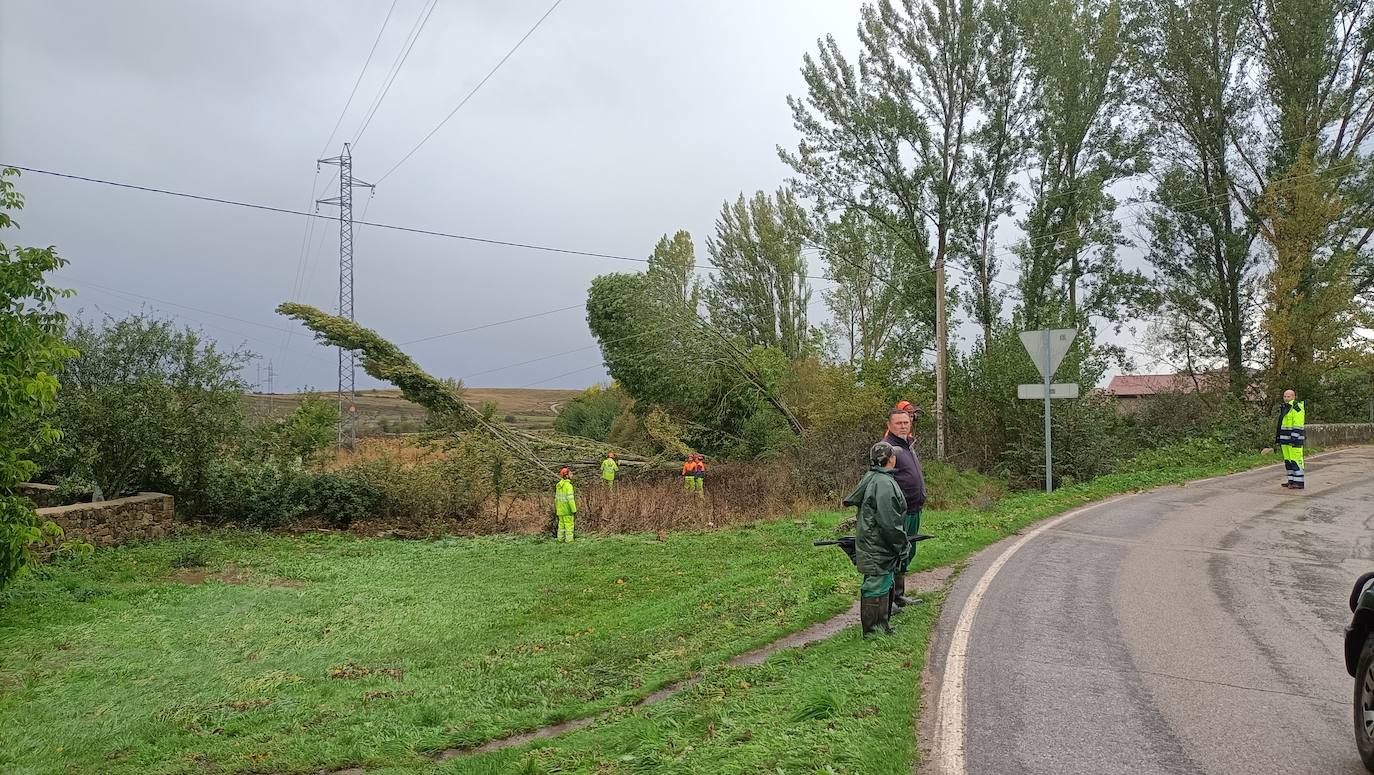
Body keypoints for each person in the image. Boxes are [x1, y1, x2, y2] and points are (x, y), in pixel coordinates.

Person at [844, 441, 909, 638]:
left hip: (874, 542)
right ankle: (873, 632)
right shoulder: (883, 483)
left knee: (881, 581)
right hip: (878, 545)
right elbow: (889, 522)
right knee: (876, 584)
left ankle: (882, 626)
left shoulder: (874, 477)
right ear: (891, 459)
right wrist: (902, 545)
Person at [882, 405, 926, 609]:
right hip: (898, 512)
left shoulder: (908, 445)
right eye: (899, 423)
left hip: (914, 509)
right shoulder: (886, 448)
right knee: (896, 553)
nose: (903, 426)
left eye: (906, 422)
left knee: (908, 552)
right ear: (889, 425)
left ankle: (899, 596)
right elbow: (881, 480)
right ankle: (888, 600)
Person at [1276, 389, 1306, 490]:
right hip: (1285, 440)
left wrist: (1294, 437)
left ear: (1293, 397)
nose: (1286, 398)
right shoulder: (1285, 408)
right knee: (1288, 461)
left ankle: (1299, 482)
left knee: (1296, 460)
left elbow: (1298, 423)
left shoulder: (1296, 407)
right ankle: (1291, 481)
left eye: (1288, 396)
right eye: (1285, 396)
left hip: (1294, 440)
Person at [555, 467, 578, 542]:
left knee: (561, 525)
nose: (572, 475)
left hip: (560, 509)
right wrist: (574, 510)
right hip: (567, 510)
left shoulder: (558, 485)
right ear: (567, 476)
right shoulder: (569, 486)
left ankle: (560, 539)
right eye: (570, 473)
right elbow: (570, 500)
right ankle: (569, 540)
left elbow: (556, 499)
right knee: (569, 525)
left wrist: (557, 508)